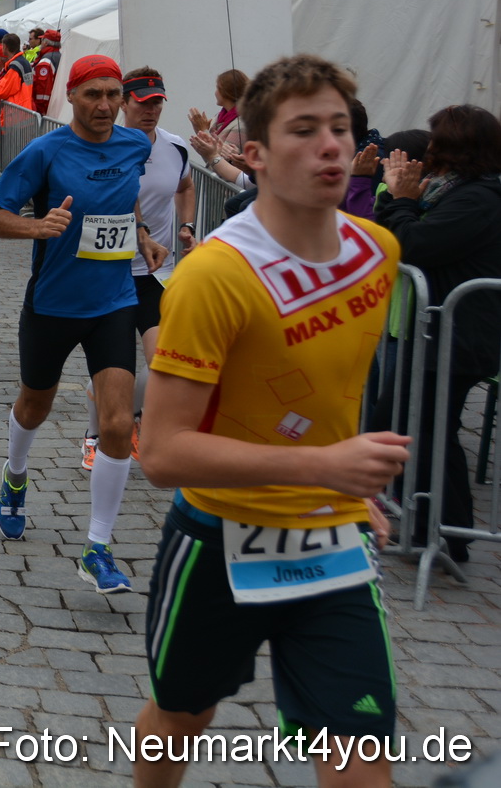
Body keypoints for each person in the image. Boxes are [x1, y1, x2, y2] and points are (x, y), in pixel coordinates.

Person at [132, 55, 407, 788]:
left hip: (331, 541)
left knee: (360, 759)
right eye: (304, 129)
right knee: (180, 717)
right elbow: (160, 451)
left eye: (341, 128)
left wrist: (350, 482)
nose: (330, 146)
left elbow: (325, 396)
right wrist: (323, 466)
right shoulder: (213, 275)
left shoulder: (378, 254)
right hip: (221, 538)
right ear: (251, 154)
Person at [0, 53, 167, 594]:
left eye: (113, 95)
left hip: (112, 302)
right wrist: (36, 228)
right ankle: (15, 476)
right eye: (93, 95)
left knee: (115, 425)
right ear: (72, 98)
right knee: (35, 404)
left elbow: (122, 199)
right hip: (54, 304)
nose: (105, 105)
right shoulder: (46, 150)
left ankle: (97, 547)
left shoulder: (136, 144)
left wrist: (144, 235)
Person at [374, 104, 501, 562]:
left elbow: (415, 245)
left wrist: (403, 201)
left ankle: (449, 533)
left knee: (426, 427)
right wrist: (396, 198)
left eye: (436, 139)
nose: (428, 148)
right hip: (433, 331)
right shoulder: (453, 191)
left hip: (459, 335)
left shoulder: (478, 198)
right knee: (405, 420)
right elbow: (388, 238)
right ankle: (426, 520)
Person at [79, 68, 195, 470]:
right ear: (123, 103)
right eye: (143, 103)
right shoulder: (101, 146)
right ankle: (96, 435)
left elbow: (184, 186)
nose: (151, 111)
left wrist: (186, 225)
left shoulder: (175, 147)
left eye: (158, 103)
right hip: (106, 271)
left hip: (153, 275)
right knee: (113, 367)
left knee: (162, 361)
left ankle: (134, 422)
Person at [32, 29, 61, 115]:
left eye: (42, 40)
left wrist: (40, 109)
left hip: (45, 109)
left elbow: (43, 89)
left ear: (46, 43)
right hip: (55, 105)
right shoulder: (59, 56)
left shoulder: (46, 60)